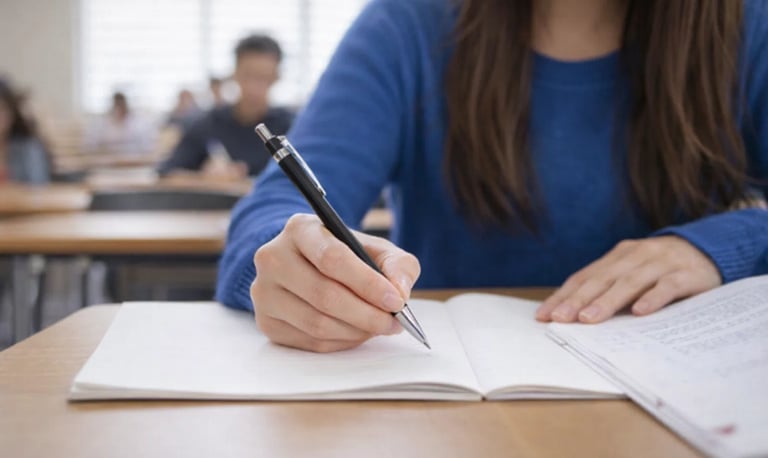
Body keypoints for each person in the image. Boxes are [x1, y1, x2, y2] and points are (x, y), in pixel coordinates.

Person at [216, 0, 768, 353]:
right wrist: (292, 263)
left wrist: (726, 245)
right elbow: (273, 215)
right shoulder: (406, 26)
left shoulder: (749, 27)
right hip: (455, 411)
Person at [158, 35, 294, 179]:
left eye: (263, 77)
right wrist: (205, 178)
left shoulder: (291, 127)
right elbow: (166, 174)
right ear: (235, 74)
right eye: (248, 75)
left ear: (276, 77)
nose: (254, 87)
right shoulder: (209, 124)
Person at [0, 78, 51, 184]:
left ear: (12, 113)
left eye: (1, 109)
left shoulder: (28, 147)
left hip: (17, 200)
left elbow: (37, 188)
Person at [83, 92, 155, 156]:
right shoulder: (101, 123)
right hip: (107, 160)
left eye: (121, 105)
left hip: (132, 159)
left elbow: (147, 147)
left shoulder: (138, 123)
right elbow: (90, 145)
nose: (119, 109)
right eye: (117, 105)